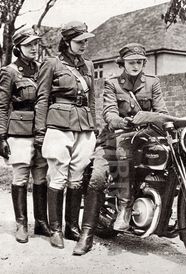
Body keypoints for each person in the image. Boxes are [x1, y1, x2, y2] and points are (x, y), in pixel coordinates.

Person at [73, 42, 168, 256]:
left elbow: (161, 111)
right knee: (98, 177)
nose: (135, 65)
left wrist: (153, 120)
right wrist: (122, 122)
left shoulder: (153, 82)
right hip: (113, 138)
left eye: (139, 62)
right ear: (123, 63)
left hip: (143, 138)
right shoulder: (112, 83)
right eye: (131, 62)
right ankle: (88, 233)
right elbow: (109, 112)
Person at [34, 21, 97, 249]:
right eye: (79, 42)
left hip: (84, 126)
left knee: (77, 175)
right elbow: (42, 99)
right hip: (58, 125)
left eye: (85, 42)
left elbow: (91, 100)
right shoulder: (52, 64)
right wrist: (40, 132)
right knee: (58, 175)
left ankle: (72, 226)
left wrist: (94, 126)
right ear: (67, 42)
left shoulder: (88, 65)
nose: (83, 46)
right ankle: (56, 229)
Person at [0, 28, 50, 243]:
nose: (33, 48)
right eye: (29, 44)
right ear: (18, 48)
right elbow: (1, 106)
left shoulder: (42, 69)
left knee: (41, 176)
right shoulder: (9, 72)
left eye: (36, 44)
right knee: (20, 177)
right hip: (19, 130)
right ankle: (21, 224)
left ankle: (41, 222)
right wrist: (1, 136)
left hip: (42, 130)